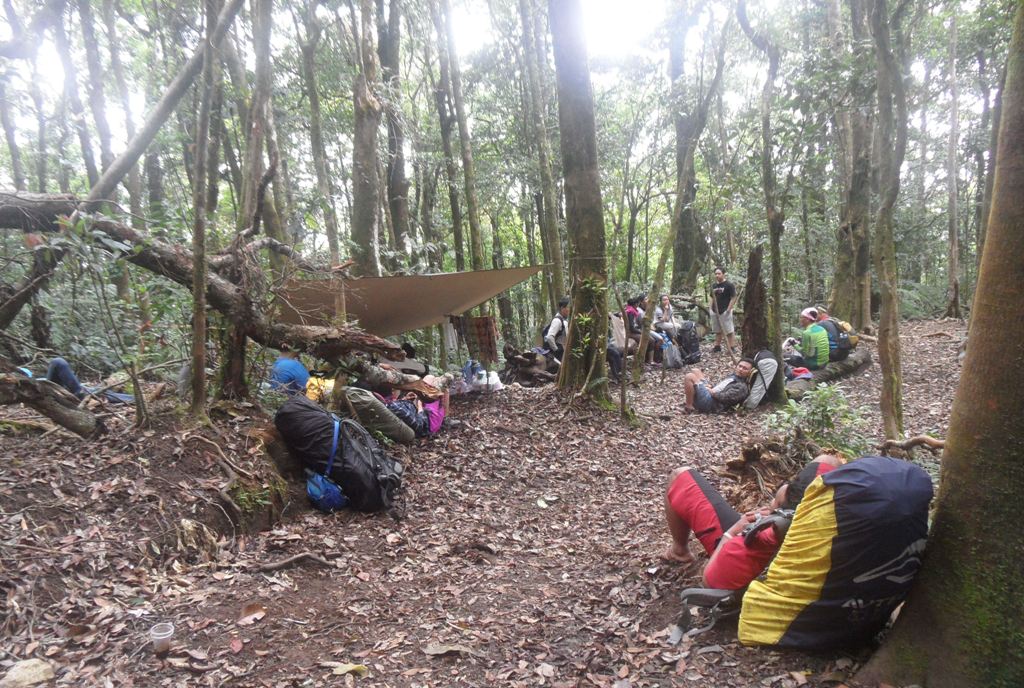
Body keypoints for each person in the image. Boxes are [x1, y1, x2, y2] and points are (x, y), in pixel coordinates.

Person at [662, 455, 843, 589]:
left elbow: (709, 579)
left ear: (782, 511)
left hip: (752, 548)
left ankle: (680, 551)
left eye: (775, 501)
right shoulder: (840, 527)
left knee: (680, 475)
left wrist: (732, 532)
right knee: (828, 462)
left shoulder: (755, 542)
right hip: (809, 543)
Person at [45, 357, 134, 404]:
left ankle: (136, 399)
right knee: (58, 362)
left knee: (99, 391)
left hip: (60, 388)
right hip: (47, 390)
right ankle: (80, 393)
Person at [683, 358, 754, 413]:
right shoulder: (734, 376)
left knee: (689, 376)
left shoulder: (742, 386)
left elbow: (727, 398)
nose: (741, 369)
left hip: (712, 403)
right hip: (711, 393)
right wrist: (711, 386)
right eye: (740, 366)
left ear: (749, 372)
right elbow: (722, 386)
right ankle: (692, 399)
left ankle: (689, 406)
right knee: (696, 371)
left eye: (745, 368)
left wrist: (712, 393)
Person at [710, 267, 738, 354]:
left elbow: (733, 297)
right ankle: (717, 346)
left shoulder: (729, 285)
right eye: (716, 274)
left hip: (725, 311)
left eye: (719, 273)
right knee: (717, 330)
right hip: (715, 311)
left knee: (729, 330)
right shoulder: (714, 285)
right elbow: (711, 297)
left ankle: (731, 347)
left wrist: (729, 309)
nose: (717, 275)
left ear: (723, 274)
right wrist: (710, 309)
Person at [544, 297, 570, 361]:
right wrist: (557, 350)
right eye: (568, 307)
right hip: (558, 353)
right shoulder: (557, 321)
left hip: (562, 350)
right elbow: (549, 337)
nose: (569, 310)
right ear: (562, 308)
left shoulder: (564, 320)